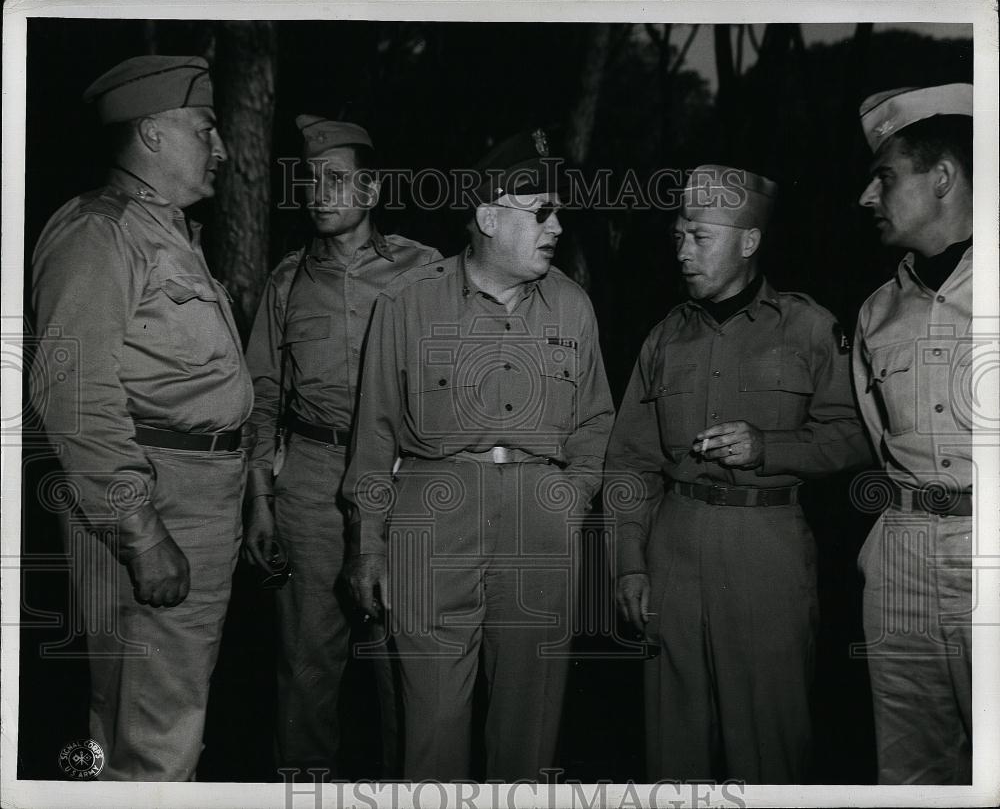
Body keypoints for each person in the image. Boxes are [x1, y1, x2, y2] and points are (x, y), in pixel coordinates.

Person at [341, 129, 614, 781]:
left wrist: (569, 500)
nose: (556, 225)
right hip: (434, 515)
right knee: (431, 729)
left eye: (558, 212)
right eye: (540, 212)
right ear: (489, 217)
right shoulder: (406, 305)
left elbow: (597, 419)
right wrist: (368, 545)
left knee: (531, 726)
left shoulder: (574, 306)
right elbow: (374, 435)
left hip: (538, 519)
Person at [604, 165, 872, 783]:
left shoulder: (809, 328)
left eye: (699, 237)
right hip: (672, 546)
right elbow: (630, 463)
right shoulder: (664, 336)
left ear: (748, 242)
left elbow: (857, 434)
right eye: (677, 237)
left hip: (766, 550)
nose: (682, 253)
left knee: (769, 747)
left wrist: (768, 447)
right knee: (672, 751)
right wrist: (629, 563)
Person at [30, 55, 252, 781]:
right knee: (157, 736)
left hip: (193, 497)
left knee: (138, 719)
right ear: (153, 132)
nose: (220, 149)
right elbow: (74, 395)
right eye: (206, 128)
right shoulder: (100, 234)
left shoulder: (166, 233)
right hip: (158, 502)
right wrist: (142, 530)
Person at [242, 115, 441, 776]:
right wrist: (261, 505)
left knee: (404, 669)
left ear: (372, 188)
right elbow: (262, 400)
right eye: (309, 180)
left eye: (336, 178)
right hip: (311, 483)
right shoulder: (287, 282)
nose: (319, 192)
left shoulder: (425, 272)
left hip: (400, 481)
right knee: (305, 669)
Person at [852, 83, 974, 784]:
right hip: (900, 554)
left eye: (885, 177)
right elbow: (878, 438)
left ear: (943, 178)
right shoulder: (875, 314)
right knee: (911, 770)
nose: (867, 197)